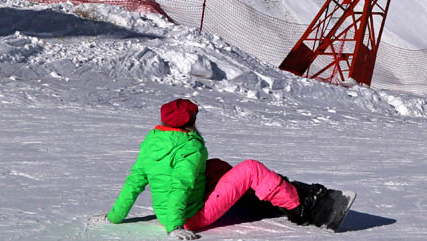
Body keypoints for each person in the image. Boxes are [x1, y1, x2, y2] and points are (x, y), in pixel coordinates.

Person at [101, 98, 337, 239]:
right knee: (250, 168)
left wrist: (114, 217)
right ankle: (299, 207)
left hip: (169, 213)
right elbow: (180, 186)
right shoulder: (189, 148)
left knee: (217, 167)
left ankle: (260, 194)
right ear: (190, 123)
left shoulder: (151, 142)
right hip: (189, 217)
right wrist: (174, 228)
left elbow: (134, 183)